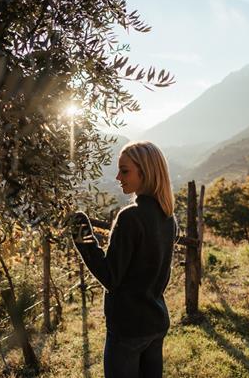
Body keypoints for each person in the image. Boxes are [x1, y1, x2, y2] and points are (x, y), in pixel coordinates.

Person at [71, 141, 178, 378]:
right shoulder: (169, 218)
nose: (118, 176)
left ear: (145, 172)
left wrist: (84, 240)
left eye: (125, 170)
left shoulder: (131, 217)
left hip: (129, 329)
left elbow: (111, 277)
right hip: (156, 322)